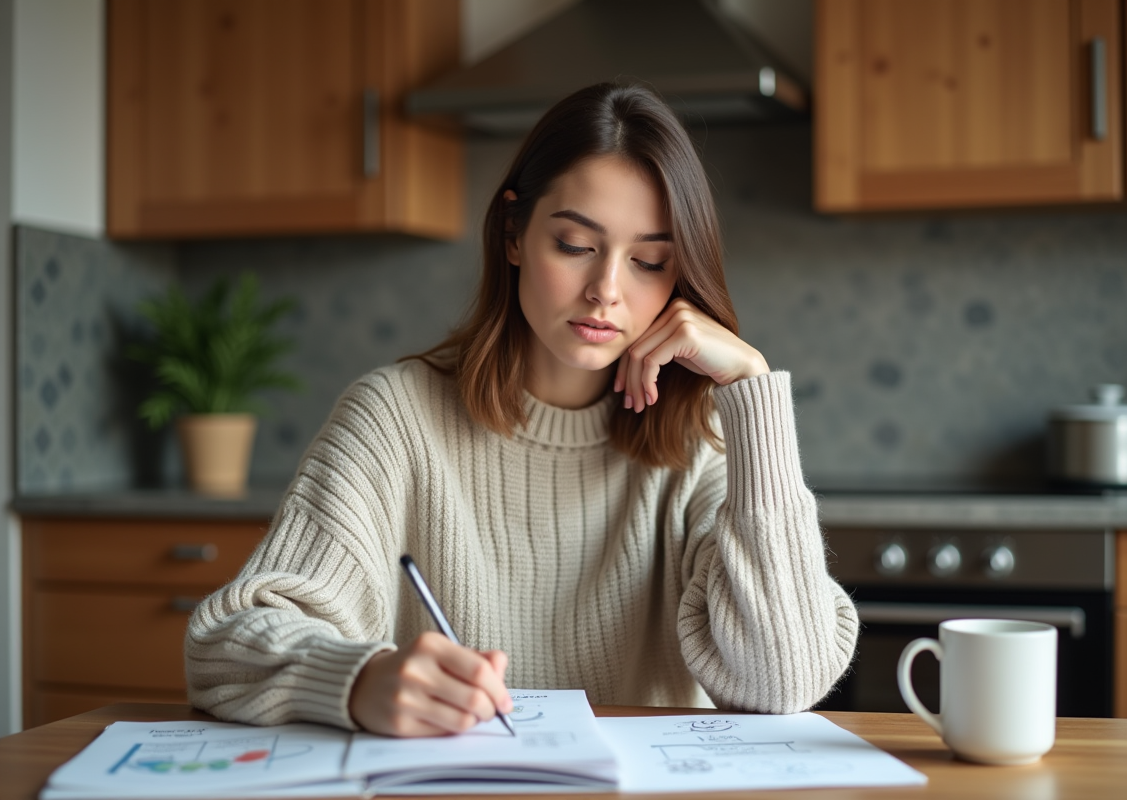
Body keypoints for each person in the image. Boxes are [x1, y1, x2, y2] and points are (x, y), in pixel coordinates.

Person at [185, 82, 859, 738]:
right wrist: (358, 680)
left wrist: (751, 389)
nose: (606, 290)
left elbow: (783, 682)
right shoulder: (393, 418)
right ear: (513, 233)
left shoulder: (699, 444)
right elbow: (223, 651)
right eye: (575, 246)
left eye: (650, 261)